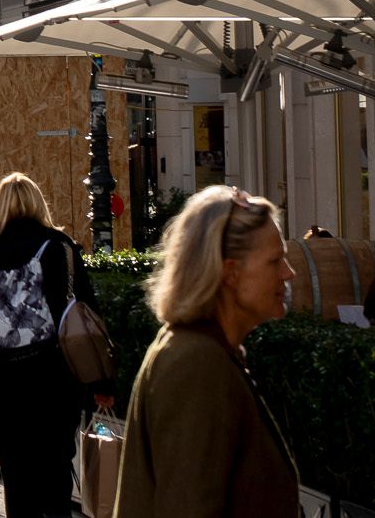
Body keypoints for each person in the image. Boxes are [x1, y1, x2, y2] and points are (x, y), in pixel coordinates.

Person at [113, 186, 299, 518]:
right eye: (275, 260)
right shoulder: (197, 363)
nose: (288, 273)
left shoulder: (201, 351)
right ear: (229, 272)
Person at [0, 172, 115, 518]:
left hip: (6, 378)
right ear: (37, 202)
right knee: (56, 466)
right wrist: (101, 382)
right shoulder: (59, 247)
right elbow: (86, 315)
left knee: (16, 473)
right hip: (56, 374)